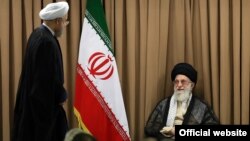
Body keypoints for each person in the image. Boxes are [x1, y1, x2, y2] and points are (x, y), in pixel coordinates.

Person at [12, 1, 69, 141]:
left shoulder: (37, 34)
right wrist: (61, 97)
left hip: (34, 111)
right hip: (42, 118)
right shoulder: (46, 42)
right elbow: (43, 83)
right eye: (65, 22)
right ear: (57, 21)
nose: (64, 26)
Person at [144, 62, 219, 141]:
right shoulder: (164, 104)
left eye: (183, 82)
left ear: (192, 85)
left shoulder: (201, 106)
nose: (179, 85)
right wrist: (168, 130)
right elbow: (149, 128)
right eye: (176, 82)